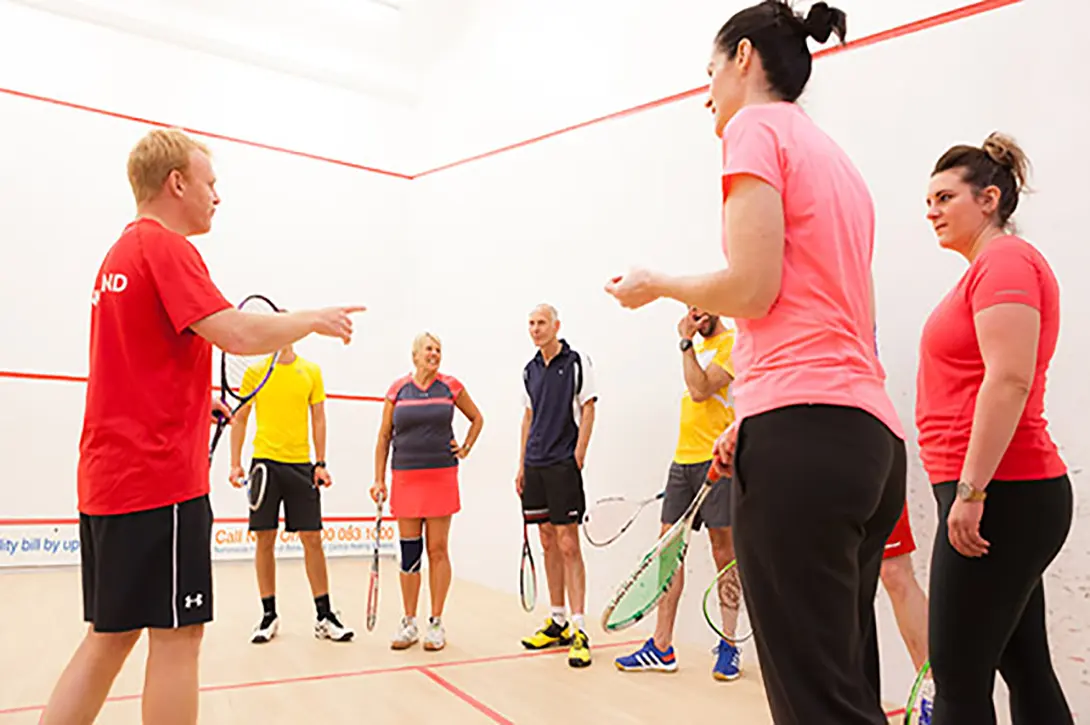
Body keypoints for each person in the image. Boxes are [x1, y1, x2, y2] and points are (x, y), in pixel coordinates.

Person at [605, 3, 906, 723]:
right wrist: (755, 413)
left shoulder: (753, 128)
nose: (706, 92)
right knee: (847, 690)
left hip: (803, 441)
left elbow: (753, 287)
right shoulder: (840, 163)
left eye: (710, 70)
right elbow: (849, 320)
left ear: (744, 59)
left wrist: (658, 286)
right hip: (871, 443)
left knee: (814, 705)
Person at [39, 128, 364, 725]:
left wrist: (195, 406)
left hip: (112, 475)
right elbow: (236, 332)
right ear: (177, 182)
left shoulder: (120, 254)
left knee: (110, 636)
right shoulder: (167, 249)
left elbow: (139, 362)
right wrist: (311, 319)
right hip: (158, 481)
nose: (219, 196)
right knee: (177, 635)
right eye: (211, 183)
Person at [916, 132, 1073, 724]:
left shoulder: (1005, 261)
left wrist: (973, 490)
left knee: (957, 678)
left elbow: (1008, 381)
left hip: (1002, 492)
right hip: (1004, 493)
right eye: (927, 200)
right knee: (1024, 663)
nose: (930, 211)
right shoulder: (988, 268)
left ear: (988, 199)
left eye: (944, 197)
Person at [614, 306, 743, 681]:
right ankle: (661, 645)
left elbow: (701, 391)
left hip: (718, 462)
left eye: (703, 308)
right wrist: (688, 346)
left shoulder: (733, 344)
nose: (697, 314)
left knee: (724, 554)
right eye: (691, 309)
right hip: (681, 462)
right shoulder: (697, 350)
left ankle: (729, 645)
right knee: (667, 553)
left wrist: (684, 342)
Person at [228, 334, 353, 644]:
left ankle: (325, 616)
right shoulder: (255, 373)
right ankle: (269, 615)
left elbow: (319, 418)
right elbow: (241, 418)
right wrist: (235, 463)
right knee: (264, 539)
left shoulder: (310, 371)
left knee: (312, 538)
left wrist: (320, 462)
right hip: (264, 465)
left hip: (301, 465)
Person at [372, 332, 483, 653]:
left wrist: (464, 448)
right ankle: (408, 622)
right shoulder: (398, 389)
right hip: (405, 478)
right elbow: (383, 437)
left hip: (441, 476)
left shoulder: (451, 386)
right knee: (410, 554)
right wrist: (378, 480)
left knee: (437, 550)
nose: (435, 354)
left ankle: (435, 622)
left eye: (438, 350)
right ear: (415, 355)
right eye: (429, 350)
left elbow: (477, 419)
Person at [517, 303, 598, 668]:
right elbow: (528, 416)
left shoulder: (577, 362)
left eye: (542, 323)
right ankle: (558, 621)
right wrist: (521, 464)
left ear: (556, 325)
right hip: (535, 465)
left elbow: (590, 407)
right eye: (531, 323)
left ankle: (580, 628)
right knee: (547, 538)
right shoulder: (529, 370)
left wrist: (577, 456)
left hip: (562, 464)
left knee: (568, 543)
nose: (536, 329)